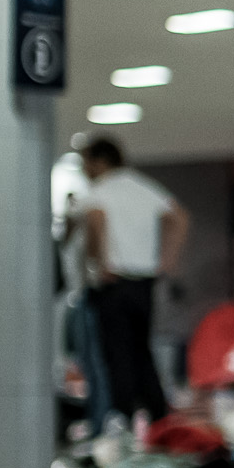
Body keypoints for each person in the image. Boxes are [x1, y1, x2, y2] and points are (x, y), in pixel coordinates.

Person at [74, 138, 186, 430]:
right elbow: (179, 216)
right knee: (141, 350)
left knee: (116, 354)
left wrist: (100, 263)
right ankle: (158, 416)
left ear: (99, 161)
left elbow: (96, 219)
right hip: (144, 283)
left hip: (115, 282)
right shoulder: (142, 187)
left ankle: (121, 417)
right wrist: (167, 261)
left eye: (85, 161)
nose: (84, 169)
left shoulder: (99, 191)